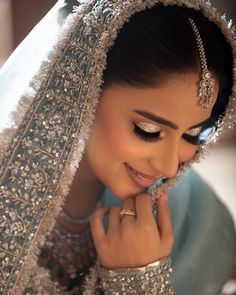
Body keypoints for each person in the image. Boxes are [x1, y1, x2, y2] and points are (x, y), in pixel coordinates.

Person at [0, 0, 235, 294]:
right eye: (148, 130)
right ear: (80, 91)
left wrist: (140, 276)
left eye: (192, 135)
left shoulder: (191, 215)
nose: (168, 167)